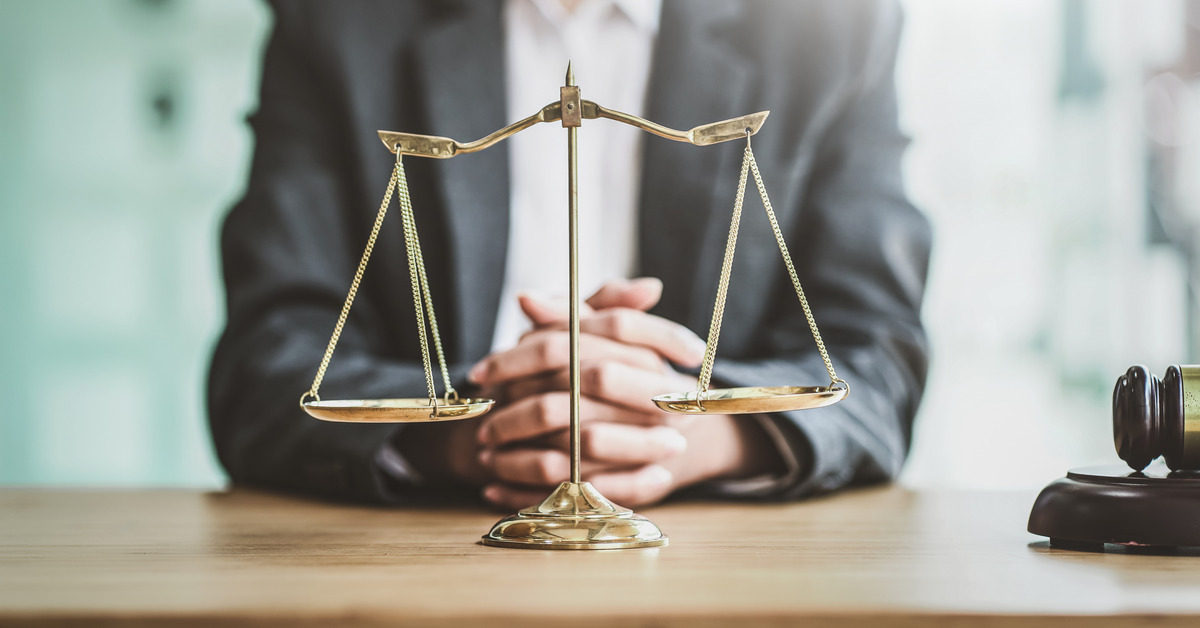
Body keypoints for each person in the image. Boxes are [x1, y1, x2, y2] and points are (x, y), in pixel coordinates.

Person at [208, 0, 931, 508]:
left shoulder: (832, 22)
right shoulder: (338, 19)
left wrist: (684, 434)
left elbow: (878, 366)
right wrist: (485, 428)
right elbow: (262, 370)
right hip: (421, 565)